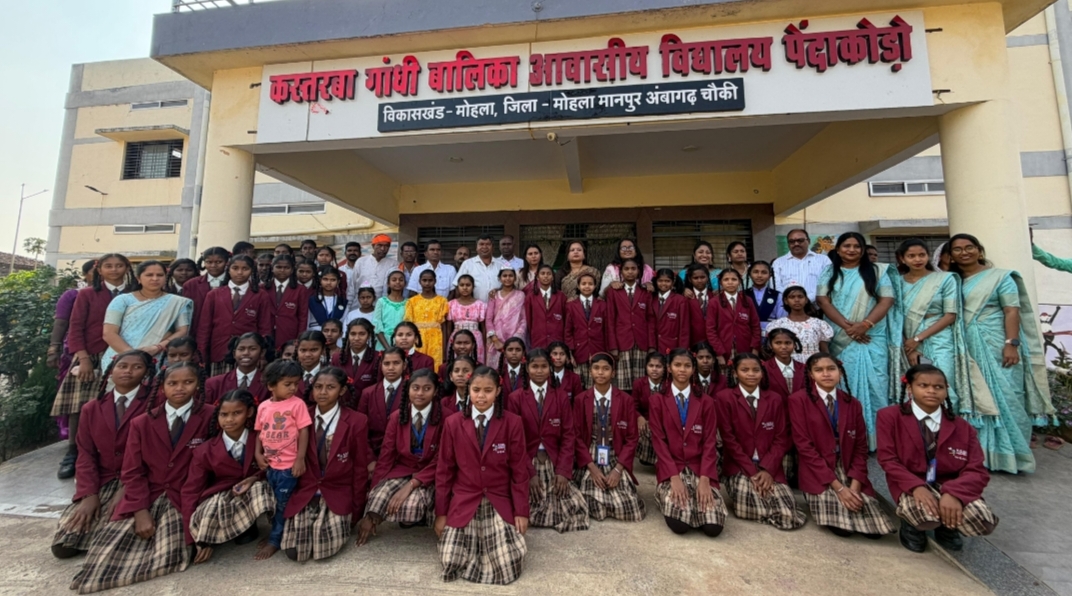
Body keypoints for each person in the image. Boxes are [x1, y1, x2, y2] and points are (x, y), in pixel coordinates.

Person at [70, 363, 211, 593]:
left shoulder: (210, 416)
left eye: (188, 382)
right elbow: (132, 471)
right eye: (172, 383)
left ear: (198, 385)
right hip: (148, 493)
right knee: (107, 551)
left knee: (169, 554)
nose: (180, 388)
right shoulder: (142, 422)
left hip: (183, 497)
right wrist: (140, 510)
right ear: (162, 387)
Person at [951, 233, 1054, 473]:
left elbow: (1011, 311)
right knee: (975, 396)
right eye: (957, 249)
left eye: (969, 247)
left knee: (1008, 395)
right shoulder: (953, 281)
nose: (964, 252)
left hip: (997, 342)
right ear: (951, 255)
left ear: (979, 250)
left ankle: (1014, 455)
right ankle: (982, 456)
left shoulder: (1000, 277)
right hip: (967, 344)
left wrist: (1011, 343)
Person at [877, 364, 999, 553]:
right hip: (912, 482)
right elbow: (888, 460)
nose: (931, 391)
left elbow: (976, 470)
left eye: (938, 387)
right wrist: (916, 487)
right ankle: (913, 525)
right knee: (925, 517)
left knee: (983, 521)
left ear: (946, 390)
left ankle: (948, 526)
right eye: (923, 385)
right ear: (909, 388)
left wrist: (954, 494)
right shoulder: (889, 416)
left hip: (949, 483)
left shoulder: (963, 427)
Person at [52, 351, 153, 560]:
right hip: (106, 478)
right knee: (65, 544)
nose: (128, 371)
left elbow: (157, 453)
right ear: (111, 370)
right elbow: (85, 454)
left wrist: (128, 487)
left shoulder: (155, 403)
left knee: (114, 534)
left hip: (141, 478)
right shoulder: (92, 408)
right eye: (122, 366)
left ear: (146, 373)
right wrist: (88, 494)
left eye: (137, 367)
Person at [435, 366, 529, 585]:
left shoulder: (512, 422)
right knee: (451, 561)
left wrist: (521, 511)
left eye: (488, 390)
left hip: (498, 497)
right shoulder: (453, 423)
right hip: (465, 498)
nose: (481, 396)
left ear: (498, 391)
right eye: (476, 390)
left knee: (507, 565)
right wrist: (441, 513)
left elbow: (519, 471)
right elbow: (444, 471)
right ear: (468, 389)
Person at [788, 353, 895, 539]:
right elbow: (804, 447)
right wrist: (839, 488)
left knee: (874, 529)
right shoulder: (799, 400)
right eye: (819, 370)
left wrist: (855, 485)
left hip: (847, 465)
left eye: (831, 369)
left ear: (840, 372)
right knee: (844, 529)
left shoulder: (852, 403)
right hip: (818, 469)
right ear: (811, 375)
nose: (826, 374)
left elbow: (861, 447)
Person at [53, 253, 134, 480]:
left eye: (119, 265)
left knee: (118, 405)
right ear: (99, 269)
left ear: (127, 268)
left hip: (125, 353)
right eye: (109, 266)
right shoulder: (87, 294)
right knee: (80, 406)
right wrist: (83, 358)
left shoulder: (135, 293)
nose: (114, 270)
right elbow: (76, 326)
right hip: (92, 354)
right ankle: (73, 452)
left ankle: (111, 453)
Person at [816, 232, 900, 447]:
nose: (851, 250)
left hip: (872, 336)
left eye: (856, 246)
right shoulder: (829, 271)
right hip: (841, 335)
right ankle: (849, 437)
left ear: (863, 250)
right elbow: (823, 301)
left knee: (877, 384)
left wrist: (865, 325)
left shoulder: (877, 271)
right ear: (838, 249)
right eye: (846, 246)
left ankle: (880, 440)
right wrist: (849, 328)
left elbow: (887, 300)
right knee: (844, 384)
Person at [281, 367, 369, 561]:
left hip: (337, 490)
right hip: (307, 489)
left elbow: (360, 468)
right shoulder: (300, 416)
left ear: (342, 390)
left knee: (323, 549)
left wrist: (357, 510)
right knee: (294, 552)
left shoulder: (357, 421)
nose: (322, 392)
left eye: (330, 387)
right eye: (318, 386)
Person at [716, 354, 806, 531]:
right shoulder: (724, 398)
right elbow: (729, 440)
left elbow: (781, 438)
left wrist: (767, 470)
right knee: (747, 501)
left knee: (788, 511)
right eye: (745, 370)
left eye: (755, 370)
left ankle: (774, 512)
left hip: (769, 464)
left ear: (762, 373)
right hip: (740, 465)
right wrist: (752, 472)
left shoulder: (774, 399)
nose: (751, 374)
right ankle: (770, 513)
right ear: (735, 373)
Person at [182, 389, 273, 563]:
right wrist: (192, 539)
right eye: (224, 415)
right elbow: (191, 490)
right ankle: (223, 533)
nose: (229, 419)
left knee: (261, 488)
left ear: (249, 412)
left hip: (255, 491)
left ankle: (270, 531)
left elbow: (276, 466)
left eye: (237, 413)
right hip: (224, 495)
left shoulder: (262, 438)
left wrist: (255, 477)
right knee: (209, 511)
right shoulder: (205, 450)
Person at [505, 348, 588, 532]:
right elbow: (514, 443)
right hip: (527, 460)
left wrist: (563, 471)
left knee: (575, 506)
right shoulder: (515, 398)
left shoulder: (560, 396)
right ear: (527, 368)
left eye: (544, 366)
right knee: (523, 502)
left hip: (553, 459)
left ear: (550, 368)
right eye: (535, 366)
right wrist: (530, 474)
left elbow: (568, 435)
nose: (539, 371)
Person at [358, 368, 442, 544]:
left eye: (427, 388)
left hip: (429, 472)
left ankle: (422, 515)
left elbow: (441, 459)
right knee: (377, 498)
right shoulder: (397, 416)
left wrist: (412, 484)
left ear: (435, 391)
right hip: (403, 469)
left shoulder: (446, 417)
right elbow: (386, 455)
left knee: (410, 508)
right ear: (408, 389)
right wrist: (371, 502)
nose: (420, 393)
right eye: (415, 388)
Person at [649, 348, 726, 537]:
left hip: (699, 467)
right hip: (672, 467)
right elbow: (659, 443)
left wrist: (705, 479)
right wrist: (673, 478)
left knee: (713, 527)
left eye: (687, 366)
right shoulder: (657, 400)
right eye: (677, 365)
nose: (682, 370)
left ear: (693, 369)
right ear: (669, 368)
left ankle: (697, 497)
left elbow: (709, 442)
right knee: (680, 525)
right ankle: (664, 495)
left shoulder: (706, 401)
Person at [894, 239, 969, 406]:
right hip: (908, 340)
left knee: (943, 380)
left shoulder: (944, 279)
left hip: (939, 337)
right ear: (902, 259)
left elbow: (950, 315)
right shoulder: (897, 282)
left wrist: (918, 338)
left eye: (922, 255)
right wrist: (909, 346)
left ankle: (948, 417)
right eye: (911, 256)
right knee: (917, 384)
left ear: (928, 256)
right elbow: (895, 317)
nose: (917, 259)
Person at [573, 353, 645, 522]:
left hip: (615, 454)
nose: (600, 372)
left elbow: (632, 438)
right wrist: (592, 468)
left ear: (613, 373)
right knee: (592, 504)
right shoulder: (581, 400)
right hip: (591, 455)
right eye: (596, 368)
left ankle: (613, 496)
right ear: (590, 371)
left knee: (632, 510)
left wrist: (618, 470)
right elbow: (576, 436)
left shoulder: (625, 400)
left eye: (606, 369)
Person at [252, 359, 311, 560]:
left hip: (288, 467)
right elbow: (259, 432)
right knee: (272, 503)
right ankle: (275, 534)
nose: (293, 388)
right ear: (271, 385)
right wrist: (258, 454)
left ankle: (275, 540)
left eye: (296, 383)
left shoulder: (297, 404)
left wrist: (300, 459)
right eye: (287, 384)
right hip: (270, 466)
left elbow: (304, 431)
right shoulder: (263, 407)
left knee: (282, 505)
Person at [101, 260, 194, 372]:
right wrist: (134, 357)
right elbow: (109, 333)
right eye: (149, 275)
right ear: (138, 278)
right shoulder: (122, 300)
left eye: (160, 275)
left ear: (165, 277)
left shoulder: (177, 302)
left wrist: (157, 347)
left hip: (156, 358)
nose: (155, 279)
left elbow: (182, 331)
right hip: (121, 358)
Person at [197, 255, 272, 378]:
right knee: (219, 385)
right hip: (219, 351)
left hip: (249, 353)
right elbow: (204, 327)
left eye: (245, 269)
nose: (240, 272)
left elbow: (265, 327)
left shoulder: (260, 295)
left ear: (252, 271)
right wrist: (202, 356)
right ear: (228, 269)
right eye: (235, 268)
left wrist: (262, 356)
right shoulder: (214, 294)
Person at [605, 258, 653, 391]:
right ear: (621, 272)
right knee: (623, 384)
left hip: (641, 342)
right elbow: (610, 320)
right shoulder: (613, 292)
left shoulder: (645, 291)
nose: (630, 272)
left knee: (641, 383)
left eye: (633, 269)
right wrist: (613, 346)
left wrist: (651, 345)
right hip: (622, 342)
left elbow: (650, 319)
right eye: (626, 269)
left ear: (639, 271)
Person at [359, 347, 408, 459]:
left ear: (404, 365)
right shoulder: (368, 393)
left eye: (396, 363)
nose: (391, 368)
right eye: (386, 363)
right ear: (381, 365)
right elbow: (361, 429)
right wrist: (370, 459)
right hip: (374, 452)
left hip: (402, 455)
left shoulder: (412, 392)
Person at [706, 269, 761, 367]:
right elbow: (710, 330)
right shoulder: (714, 302)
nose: (730, 282)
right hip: (724, 347)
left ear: (739, 282)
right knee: (726, 375)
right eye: (726, 279)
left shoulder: (747, 300)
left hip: (745, 346)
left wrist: (755, 348)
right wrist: (719, 353)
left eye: (734, 279)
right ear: (721, 282)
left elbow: (755, 326)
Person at [767, 285, 834, 363]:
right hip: (787, 364)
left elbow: (824, 350)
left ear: (806, 300)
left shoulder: (819, 324)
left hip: (813, 364)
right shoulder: (778, 325)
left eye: (800, 297)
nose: (797, 300)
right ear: (786, 301)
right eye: (792, 297)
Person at [565, 272, 608, 387]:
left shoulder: (602, 305)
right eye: (583, 284)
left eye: (590, 284)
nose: (587, 286)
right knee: (579, 386)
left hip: (598, 350)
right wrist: (570, 353)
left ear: (595, 286)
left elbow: (606, 331)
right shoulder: (570, 306)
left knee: (596, 385)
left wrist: (607, 352)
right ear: (578, 286)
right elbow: (568, 331)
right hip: (578, 352)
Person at [205, 333, 269, 405]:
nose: (246, 353)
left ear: (262, 352)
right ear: (234, 354)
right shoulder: (213, 383)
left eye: (252, 349)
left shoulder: (268, 383)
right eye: (241, 349)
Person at [406, 269, 450, 369]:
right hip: (417, 338)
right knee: (417, 365)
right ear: (419, 281)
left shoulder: (442, 301)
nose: (427, 283)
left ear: (435, 281)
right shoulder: (412, 301)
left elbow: (444, 326)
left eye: (430, 280)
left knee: (435, 366)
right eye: (424, 280)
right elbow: (409, 326)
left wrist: (444, 349)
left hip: (436, 339)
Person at [772, 229, 832, 301]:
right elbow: (776, 287)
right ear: (788, 243)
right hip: (788, 306)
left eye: (800, 240)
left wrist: (806, 300)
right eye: (792, 241)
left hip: (817, 305)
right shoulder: (778, 263)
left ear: (808, 241)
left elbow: (826, 284)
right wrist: (793, 301)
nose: (796, 244)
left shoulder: (823, 260)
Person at [485, 267, 527, 368]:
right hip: (496, 340)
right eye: (504, 276)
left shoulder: (520, 295)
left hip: (515, 339)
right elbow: (489, 319)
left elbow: (523, 319)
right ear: (499, 278)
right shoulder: (494, 295)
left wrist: (516, 338)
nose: (507, 278)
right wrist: (495, 340)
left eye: (510, 276)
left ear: (515, 278)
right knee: (496, 370)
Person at [266, 254, 309, 350]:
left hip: (289, 333)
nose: (282, 270)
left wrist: (300, 338)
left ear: (292, 269)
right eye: (279, 267)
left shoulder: (300, 290)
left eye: (286, 267)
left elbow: (303, 316)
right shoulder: (263, 288)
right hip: (267, 333)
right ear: (272, 268)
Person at [331, 319, 379, 406]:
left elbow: (379, 386)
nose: (357, 338)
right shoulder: (337, 357)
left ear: (368, 336)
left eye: (362, 334)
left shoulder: (378, 358)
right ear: (348, 335)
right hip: (342, 405)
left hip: (367, 406)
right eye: (353, 334)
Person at [184, 247, 230, 334]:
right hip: (198, 330)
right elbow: (186, 313)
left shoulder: (234, 283)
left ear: (227, 262)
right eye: (209, 262)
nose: (213, 266)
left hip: (225, 331)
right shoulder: (191, 284)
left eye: (218, 262)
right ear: (204, 262)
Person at [631, 352, 666, 466]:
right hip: (645, 421)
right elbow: (633, 406)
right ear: (646, 367)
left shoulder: (669, 384)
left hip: (663, 421)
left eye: (658, 366)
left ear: (664, 368)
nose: (654, 369)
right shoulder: (639, 384)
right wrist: (639, 417)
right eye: (651, 366)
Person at [348, 234, 398, 307]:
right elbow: (352, 286)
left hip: (383, 305)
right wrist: (349, 305)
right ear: (373, 246)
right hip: (360, 304)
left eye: (386, 246)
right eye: (379, 245)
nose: (383, 249)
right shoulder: (361, 261)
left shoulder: (393, 264)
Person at [650, 268, 692, 354]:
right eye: (660, 281)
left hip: (673, 346)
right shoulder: (651, 299)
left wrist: (682, 349)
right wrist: (651, 346)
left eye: (667, 281)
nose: (663, 284)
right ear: (656, 281)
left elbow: (684, 328)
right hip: (655, 346)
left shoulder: (680, 300)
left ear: (673, 282)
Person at [525, 264, 566, 350]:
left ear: (553, 277)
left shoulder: (561, 296)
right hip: (538, 338)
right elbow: (529, 320)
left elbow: (565, 318)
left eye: (548, 274)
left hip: (557, 338)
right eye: (542, 273)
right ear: (537, 277)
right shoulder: (530, 297)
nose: (546, 276)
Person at [447, 274, 486, 363]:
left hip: (476, 338)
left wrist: (484, 344)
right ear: (458, 287)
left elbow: (483, 328)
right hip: (457, 338)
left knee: (475, 362)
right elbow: (449, 328)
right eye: (462, 285)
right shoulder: (451, 304)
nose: (465, 288)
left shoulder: (480, 304)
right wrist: (449, 342)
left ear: (473, 287)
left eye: (468, 285)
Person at [453, 235, 503, 302]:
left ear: (493, 247)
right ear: (476, 248)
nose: (484, 247)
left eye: (488, 244)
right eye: (481, 244)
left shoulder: (501, 265)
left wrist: (499, 290)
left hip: (498, 306)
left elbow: (509, 286)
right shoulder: (467, 264)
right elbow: (458, 286)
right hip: (474, 307)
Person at [762, 328, 806, 399]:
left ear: (794, 345)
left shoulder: (804, 368)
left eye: (788, 343)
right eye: (778, 343)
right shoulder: (764, 368)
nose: (783, 347)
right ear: (770, 345)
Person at [748, 261, 787, 335]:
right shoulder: (742, 295)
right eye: (755, 272)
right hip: (747, 333)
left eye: (764, 272)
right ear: (750, 274)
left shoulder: (778, 295)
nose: (759, 275)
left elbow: (782, 319)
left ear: (770, 275)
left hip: (771, 333)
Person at [683, 263, 716, 346]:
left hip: (713, 341)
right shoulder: (684, 298)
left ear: (707, 277)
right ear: (690, 279)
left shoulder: (714, 296)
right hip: (692, 342)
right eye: (696, 278)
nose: (699, 280)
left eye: (702, 277)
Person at [373, 271, 408, 348]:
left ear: (405, 284)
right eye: (394, 280)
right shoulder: (381, 302)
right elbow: (377, 325)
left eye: (401, 280)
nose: (398, 282)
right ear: (388, 284)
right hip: (384, 343)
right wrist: (388, 348)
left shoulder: (409, 303)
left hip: (403, 343)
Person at [309, 266, 348, 331]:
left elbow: (344, 322)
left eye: (333, 280)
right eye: (325, 279)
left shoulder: (343, 302)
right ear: (320, 280)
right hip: (315, 333)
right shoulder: (311, 300)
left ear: (338, 282)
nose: (329, 283)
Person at [294, 330, 328, 398]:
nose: (307, 354)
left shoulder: (330, 374)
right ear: (297, 350)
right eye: (303, 350)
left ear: (323, 350)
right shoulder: (288, 373)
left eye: (313, 350)